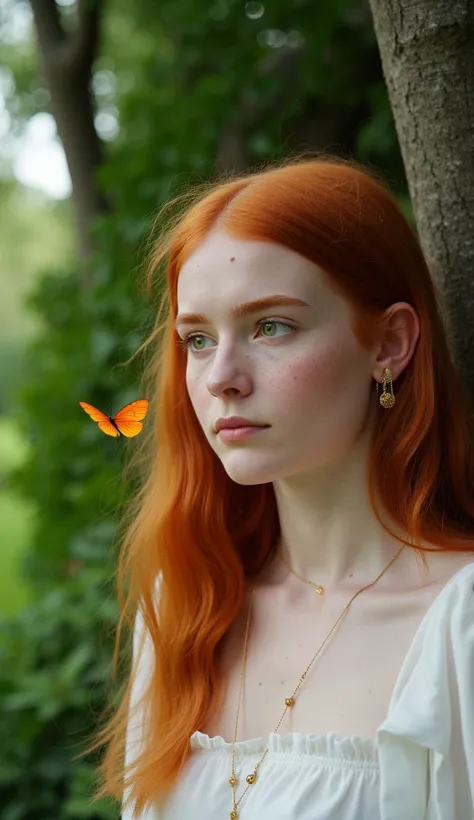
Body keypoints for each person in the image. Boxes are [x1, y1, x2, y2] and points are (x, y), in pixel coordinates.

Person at [86, 156, 474, 819]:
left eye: (271, 326)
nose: (221, 378)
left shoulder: (458, 626)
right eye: (199, 340)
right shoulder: (186, 608)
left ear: (389, 343)